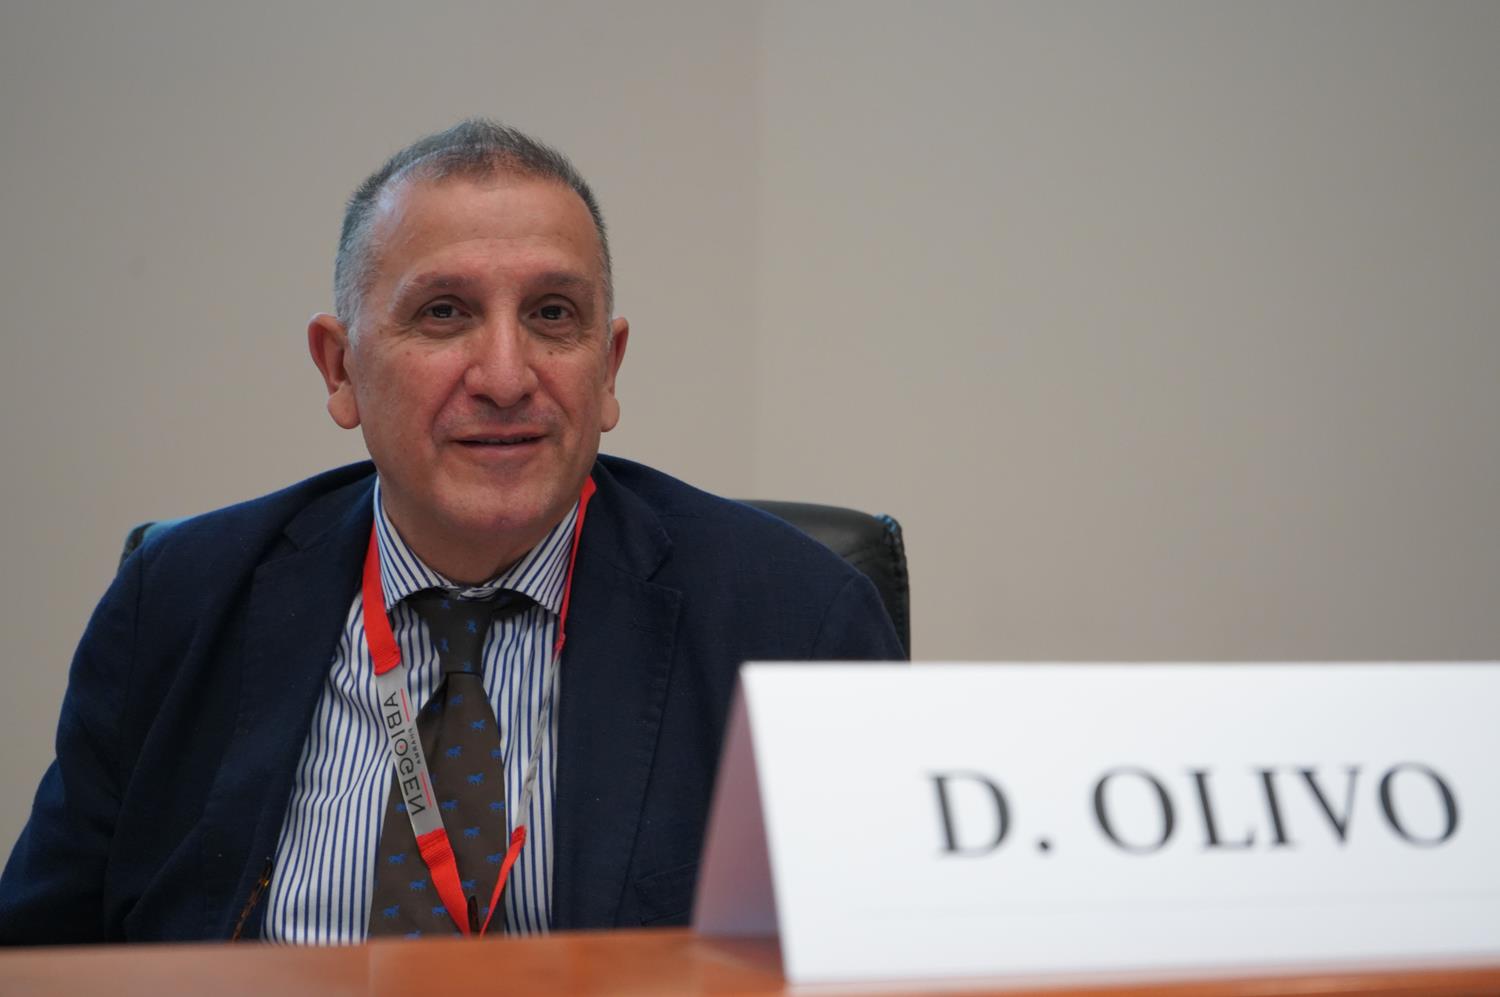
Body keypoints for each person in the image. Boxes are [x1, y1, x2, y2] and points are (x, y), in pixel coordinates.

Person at [0, 120, 903, 944]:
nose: (506, 377)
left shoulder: (792, 621)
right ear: (340, 368)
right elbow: (37, 955)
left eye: (552, 314)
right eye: (444, 313)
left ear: (609, 367)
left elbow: (888, 956)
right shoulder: (179, 601)